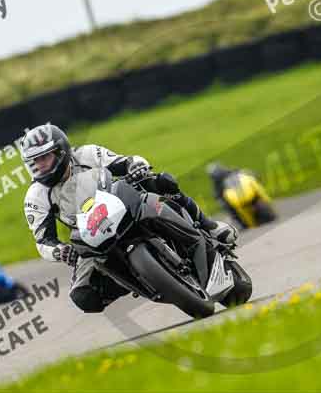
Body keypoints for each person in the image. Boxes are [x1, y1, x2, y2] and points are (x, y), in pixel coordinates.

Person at [19, 124, 237, 314]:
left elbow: (126, 161)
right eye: (34, 162)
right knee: (83, 296)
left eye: (44, 158)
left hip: (118, 201)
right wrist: (60, 251)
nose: (39, 166)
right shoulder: (35, 196)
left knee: (161, 182)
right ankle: (135, 280)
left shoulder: (86, 154)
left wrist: (136, 167)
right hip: (88, 234)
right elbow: (43, 241)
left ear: (61, 151)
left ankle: (209, 226)